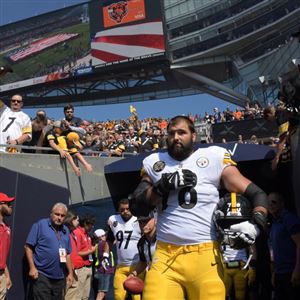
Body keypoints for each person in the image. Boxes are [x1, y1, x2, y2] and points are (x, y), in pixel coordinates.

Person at [129, 115, 268, 300]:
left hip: (205, 255)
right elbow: (136, 205)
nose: (176, 137)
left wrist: (256, 223)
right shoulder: (155, 162)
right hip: (165, 256)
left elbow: (257, 194)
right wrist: (161, 186)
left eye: (182, 132)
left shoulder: (213, 157)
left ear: (193, 135)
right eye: (171, 133)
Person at [24, 203, 73, 300]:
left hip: (60, 277)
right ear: (51, 214)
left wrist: (70, 273)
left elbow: (67, 254)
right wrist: (32, 268)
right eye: (57, 214)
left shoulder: (66, 230)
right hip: (42, 275)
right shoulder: (40, 225)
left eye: (62, 216)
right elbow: (28, 247)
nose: (59, 218)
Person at [106, 198, 142, 300]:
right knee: (119, 296)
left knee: (137, 297)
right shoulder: (113, 220)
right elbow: (109, 240)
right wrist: (105, 256)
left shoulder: (138, 220)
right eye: (122, 209)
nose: (125, 211)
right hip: (121, 266)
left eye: (127, 209)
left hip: (137, 266)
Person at [268, 192, 300, 300]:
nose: (271, 205)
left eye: (274, 202)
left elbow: (299, 243)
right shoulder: (274, 223)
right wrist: (274, 273)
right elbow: (272, 250)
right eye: (269, 203)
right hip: (279, 273)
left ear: (282, 204)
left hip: (290, 273)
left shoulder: (289, 219)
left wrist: (297, 270)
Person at [66, 214, 96, 300]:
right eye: (91, 225)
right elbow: (77, 252)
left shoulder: (87, 234)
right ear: (86, 224)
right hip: (81, 268)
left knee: (85, 296)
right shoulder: (77, 233)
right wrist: (91, 251)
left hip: (89, 266)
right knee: (78, 295)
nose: (92, 227)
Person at [128, 211, 157, 279]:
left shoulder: (163, 238)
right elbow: (143, 261)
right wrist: (133, 274)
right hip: (152, 278)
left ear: (155, 220)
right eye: (140, 222)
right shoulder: (141, 243)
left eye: (146, 221)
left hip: (167, 277)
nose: (143, 224)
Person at [0, 192, 14, 300]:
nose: (11, 206)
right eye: (8, 203)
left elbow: (3, 255)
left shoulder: (6, 227)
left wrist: (7, 275)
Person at [94, 229, 115, 300]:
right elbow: (111, 243)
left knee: (103, 293)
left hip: (102, 271)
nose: (106, 236)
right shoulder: (103, 244)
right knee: (102, 292)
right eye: (104, 235)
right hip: (104, 271)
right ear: (100, 237)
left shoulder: (99, 244)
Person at [64, 211, 80, 300]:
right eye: (76, 219)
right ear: (70, 220)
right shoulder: (63, 233)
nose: (78, 222)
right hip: (66, 269)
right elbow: (65, 253)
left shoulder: (72, 233)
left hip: (73, 269)